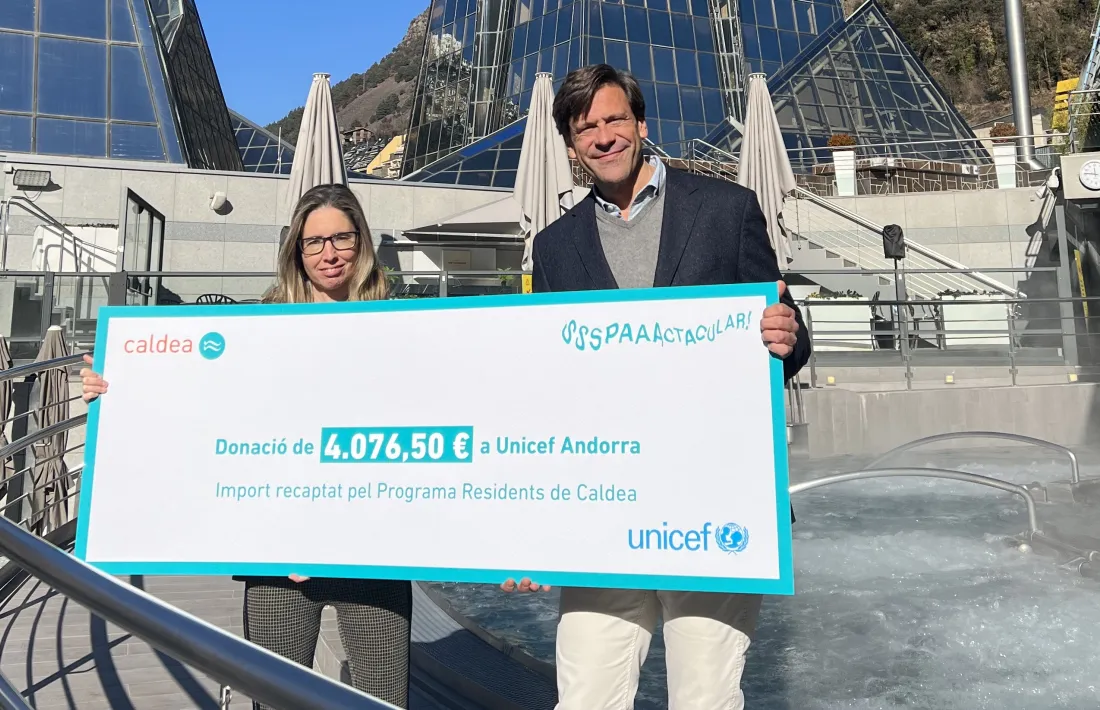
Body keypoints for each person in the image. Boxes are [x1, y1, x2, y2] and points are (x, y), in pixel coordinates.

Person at [501, 64, 811, 710]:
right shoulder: (555, 249)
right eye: (586, 128)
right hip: (604, 513)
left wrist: (788, 334)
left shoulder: (727, 210)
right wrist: (533, 522)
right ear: (570, 144)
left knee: (704, 698)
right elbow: (550, 393)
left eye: (615, 119)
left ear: (642, 125)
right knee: (584, 697)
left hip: (712, 504)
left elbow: (785, 330)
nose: (604, 136)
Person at [79, 183, 412, 710]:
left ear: (362, 241)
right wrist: (118, 385)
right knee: (273, 698)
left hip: (371, 548)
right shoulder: (258, 328)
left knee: (381, 701)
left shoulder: (406, 329)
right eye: (313, 243)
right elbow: (197, 398)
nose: (329, 253)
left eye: (341, 238)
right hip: (276, 549)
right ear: (296, 253)